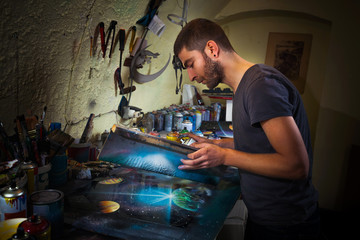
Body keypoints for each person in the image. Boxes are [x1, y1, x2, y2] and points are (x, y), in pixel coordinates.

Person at [173, 18, 320, 240]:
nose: (191, 76)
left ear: (212, 49)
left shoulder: (261, 85)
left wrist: (224, 156)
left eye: (190, 64)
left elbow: (296, 165)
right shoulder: (244, 86)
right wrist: (219, 144)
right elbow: (262, 144)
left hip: (286, 226)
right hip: (266, 218)